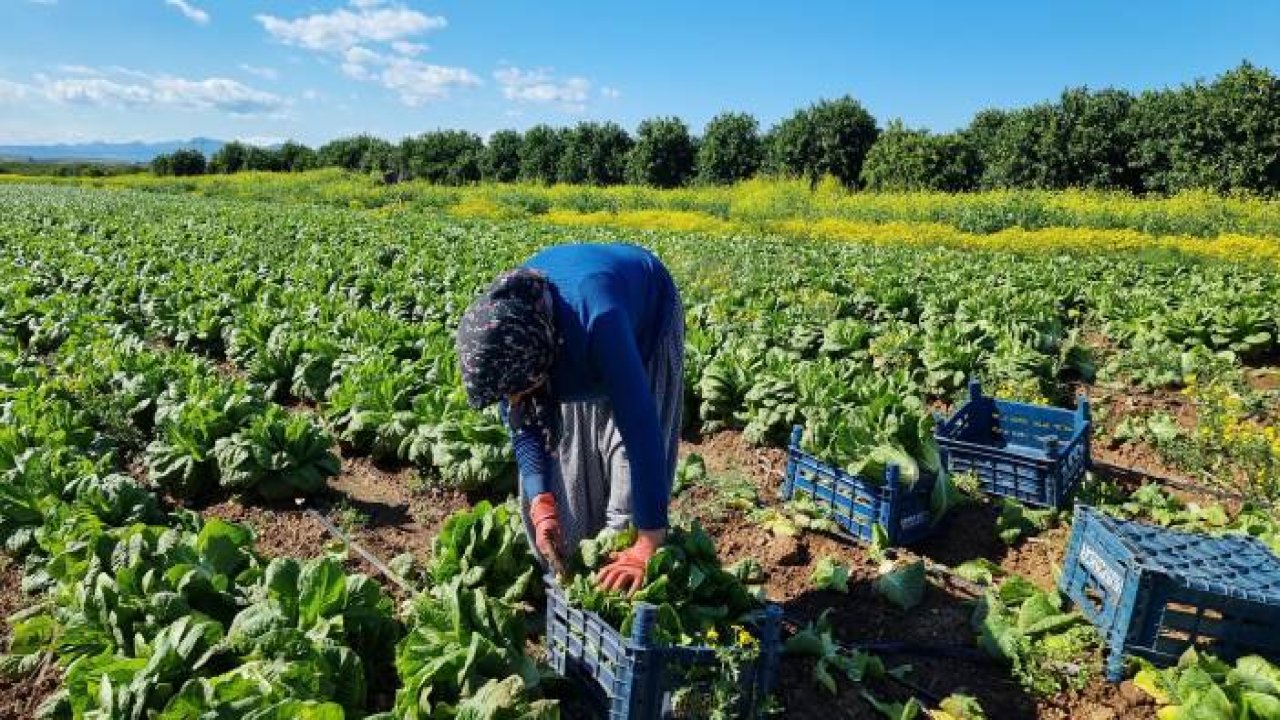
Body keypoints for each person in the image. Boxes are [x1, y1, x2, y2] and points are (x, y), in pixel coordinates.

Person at [455, 243, 683, 594]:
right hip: (570, 337)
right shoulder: (511, 332)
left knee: (625, 465)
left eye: (520, 389)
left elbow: (641, 426)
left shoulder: (597, 318)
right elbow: (523, 419)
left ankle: (628, 567)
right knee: (571, 473)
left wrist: (648, 540)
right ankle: (578, 576)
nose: (514, 399)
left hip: (640, 324)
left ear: (540, 358)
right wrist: (540, 500)